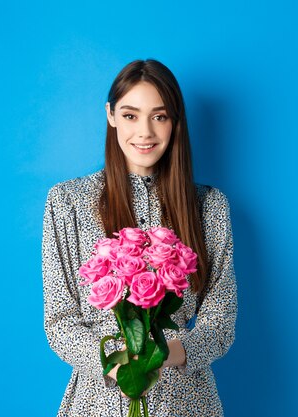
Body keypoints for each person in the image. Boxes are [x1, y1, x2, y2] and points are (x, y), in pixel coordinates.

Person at [42, 59, 237, 417]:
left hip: (187, 402)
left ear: (175, 122)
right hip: (98, 401)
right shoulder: (67, 202)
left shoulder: (209, 206)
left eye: (159, 116)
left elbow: (220, 319)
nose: (144, 132)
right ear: (111, 114)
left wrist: (167, 353)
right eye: (131, 115)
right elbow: (60, 320)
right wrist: (123, 368)